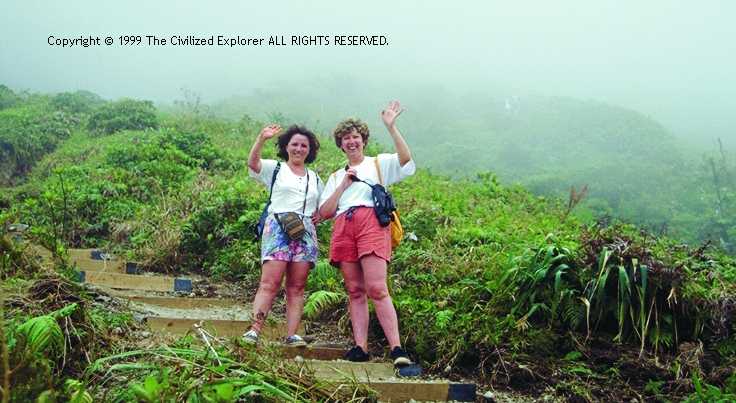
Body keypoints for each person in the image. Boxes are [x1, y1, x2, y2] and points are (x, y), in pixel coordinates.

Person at [318, 101, 415, 366]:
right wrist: (344, 184)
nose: (352, 142)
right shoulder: (337, 175)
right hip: (344, 224)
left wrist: (391, 127)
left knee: (377, 287)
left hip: (372, 222)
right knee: (355, 290)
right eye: (346, 138)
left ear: (364, 140)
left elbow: (406, 160)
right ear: (340, 144)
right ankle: (360, 346)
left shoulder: (379, 163)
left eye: (356, 137)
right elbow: (325, 211)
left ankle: (397, 348)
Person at [243, 124, 323, 346]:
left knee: (297, 287)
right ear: (286, 146)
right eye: (295, 144)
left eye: (304, 145)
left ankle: (292, 334)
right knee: (269, 282)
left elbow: (323, 206)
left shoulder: (314, 178)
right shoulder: (275, 168)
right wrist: (261, 138)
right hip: (278, 227)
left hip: (304, 232)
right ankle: (254, 330)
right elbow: (253, 163)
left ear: (310, 150)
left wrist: (321, 215)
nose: (299, 149)